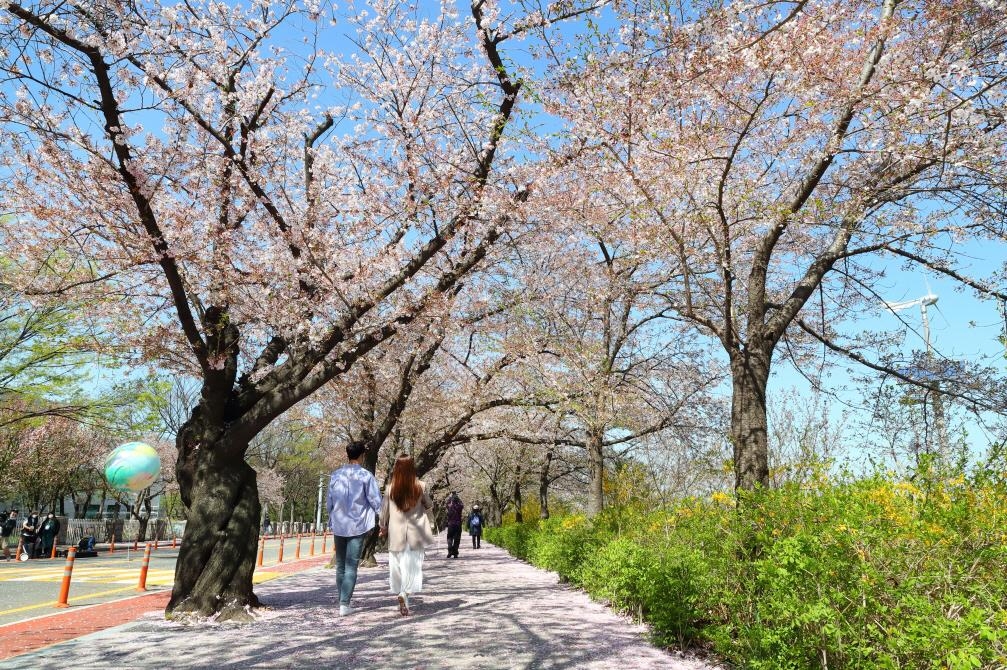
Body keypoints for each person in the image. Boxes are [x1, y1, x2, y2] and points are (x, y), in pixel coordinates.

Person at [326, 442, 382, 617]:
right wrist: (384, 519)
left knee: (340, 566)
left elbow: (329, 501)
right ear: (362, 456)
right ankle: (344, 603)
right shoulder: (366, 476)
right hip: (358, 525)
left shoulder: (335, 475)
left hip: (339, 523)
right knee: (351, 566)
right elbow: (375, 500)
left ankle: (342, 600)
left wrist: (331, 515)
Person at [379, 454, 436, 616]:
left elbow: (384, 511)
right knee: (412, 567)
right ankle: (405, 594)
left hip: (396, 532)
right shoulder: (421, 486)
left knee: (397, 567)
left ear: (396, 468)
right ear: (412, 468)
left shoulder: (390, 488)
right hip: (415, 532)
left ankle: (401, 594)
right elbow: (429, 504)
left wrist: (382, 526)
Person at [445, 491, 463, 559]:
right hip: (458, 525)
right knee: (457, 539)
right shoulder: (459, 506)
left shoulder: (449, 506)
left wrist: (450, 497)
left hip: (451, 525)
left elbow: (447, 503)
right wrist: (457, 497)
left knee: (450, 538)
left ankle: (450, 550)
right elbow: (462, 504)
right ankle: (455, 553)